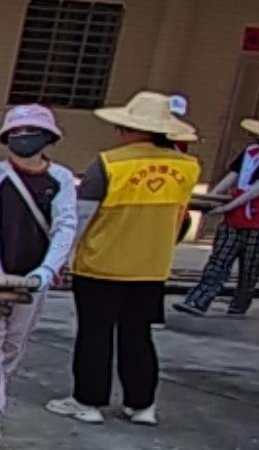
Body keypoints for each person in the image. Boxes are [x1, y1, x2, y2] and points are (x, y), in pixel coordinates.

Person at [47, 91, 200, 427]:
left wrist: (59, 256)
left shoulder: (109, 164)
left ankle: (88, 401)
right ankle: (142, 404)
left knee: (95, 333)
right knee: (138, 334)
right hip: (151, 267)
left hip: (102, 263)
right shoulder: (188, 166)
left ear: (129, 129)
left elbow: (81, 216)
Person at [0, 104, 81, 446]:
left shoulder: (61, 180)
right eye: (17, 133)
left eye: (31, 133)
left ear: (48, 138)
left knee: (12, 342)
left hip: (33, 275)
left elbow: (65, 225)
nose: (24, 139)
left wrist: (48, 268)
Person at [177, 110, 259, 317]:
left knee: (250, 266)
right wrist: (213, 197)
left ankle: (240, 303)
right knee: (219, 260)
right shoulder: (250, 152)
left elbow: (257, 190)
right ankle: (198, 300)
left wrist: (226, 207)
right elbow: (233, 175)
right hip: (235, 219)